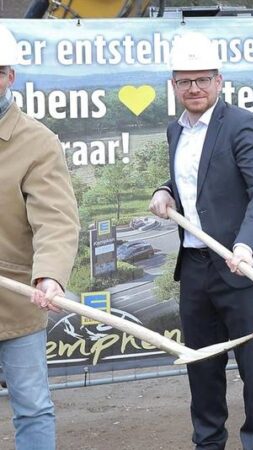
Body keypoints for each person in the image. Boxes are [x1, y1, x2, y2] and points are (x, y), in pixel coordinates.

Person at [148, 31, 253, 450]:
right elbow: (190, 184)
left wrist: (245, 245)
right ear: (173, 85)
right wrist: (164, 191)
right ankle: (208, 444)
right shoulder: (176, 131)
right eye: (184, 81)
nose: (194, 88)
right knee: (202, 368)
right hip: (195, 269)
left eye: (202, 79)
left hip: (243, 267)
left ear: (219, 80)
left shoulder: (243, 125)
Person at [0, 25, 80, 450]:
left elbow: (56, 219)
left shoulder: (37, 142)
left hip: (15, 300)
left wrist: (49, 275)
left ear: (9, 75)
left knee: (31, 406)